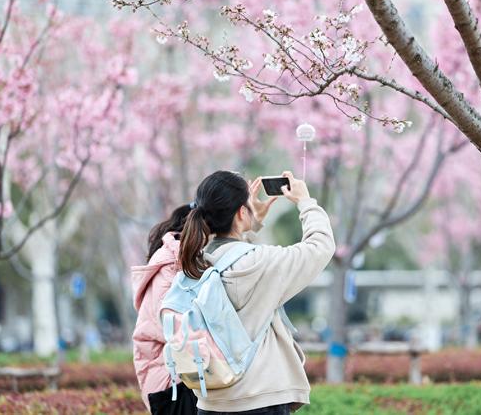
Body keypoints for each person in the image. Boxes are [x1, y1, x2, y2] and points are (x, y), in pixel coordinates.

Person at [178, 170, 335, 414]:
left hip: (211, 402)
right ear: (241, 213)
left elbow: (231, 255)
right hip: (261, 399)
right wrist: (306, 202)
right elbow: (320, 246)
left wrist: (249, 225)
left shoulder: (194, 262)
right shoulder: (261, 263)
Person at [131, 204, 198, 414]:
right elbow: (172, 329)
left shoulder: (177, 266)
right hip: (171, 385)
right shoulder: (169, 269)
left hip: (175, 379)